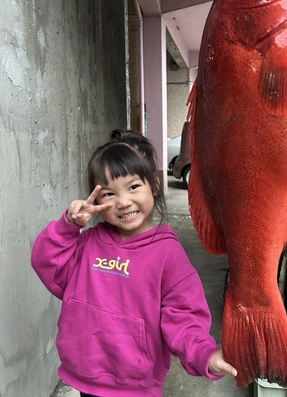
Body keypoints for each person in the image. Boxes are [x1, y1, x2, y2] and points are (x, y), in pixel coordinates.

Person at [31, 129, 237, 397]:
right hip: (84, 377)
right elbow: (47, 263)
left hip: (135, 386)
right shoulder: (87, 242)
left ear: (154, 184)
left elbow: (184, 317)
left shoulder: (168, 255)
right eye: (108, 194)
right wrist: (67, 227)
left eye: (133, 187)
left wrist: (205, 355)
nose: (123, 202)